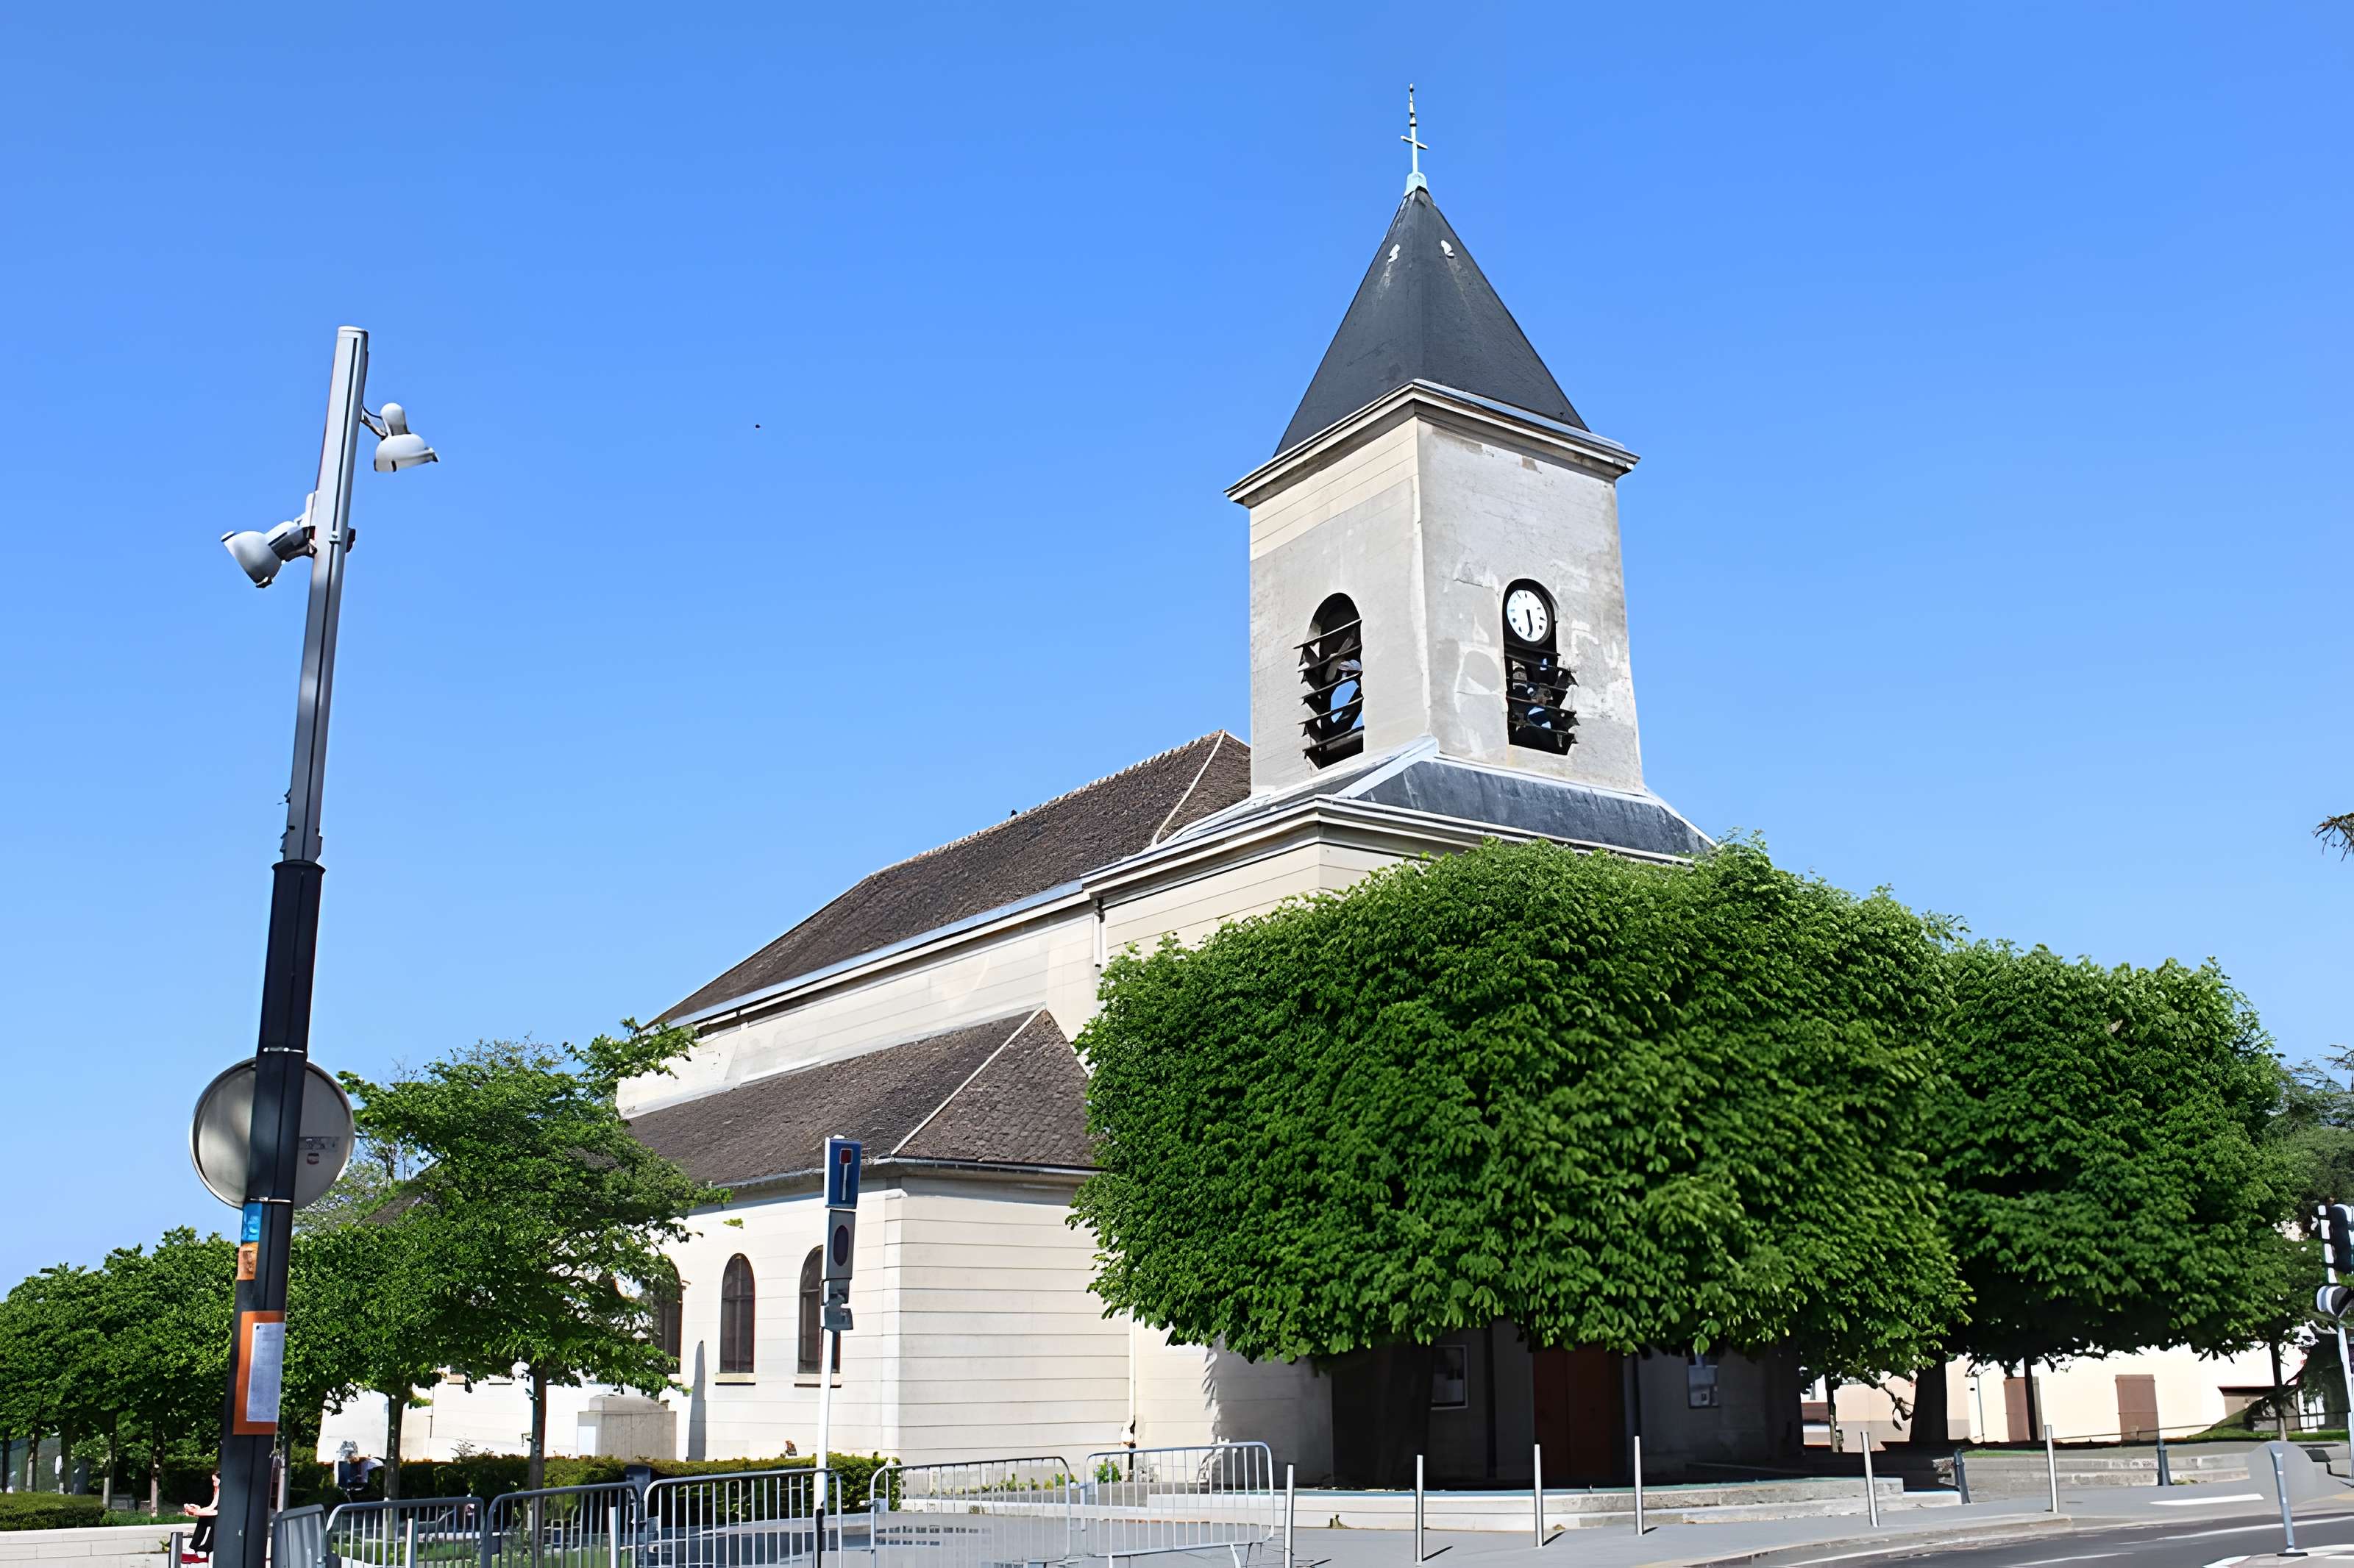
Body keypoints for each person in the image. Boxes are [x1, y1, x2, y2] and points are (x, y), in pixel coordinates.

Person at [181, 1472, 218, 1564]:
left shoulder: (222, 1490)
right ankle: (193, 1546)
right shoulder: (215, 1489)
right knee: (203, 1520)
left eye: (215, 1481)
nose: (214, 1483)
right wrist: (198, 1510)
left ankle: (206, 1548)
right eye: (213, 1481)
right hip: (215, 1514)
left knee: (216, 1523)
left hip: (221, 1518)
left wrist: (197, 1512)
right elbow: (211, 1507)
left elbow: (215, 1509)